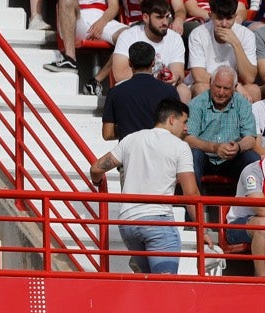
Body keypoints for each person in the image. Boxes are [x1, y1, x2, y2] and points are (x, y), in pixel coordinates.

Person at [88, 97, 210, 275]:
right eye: (184, 122)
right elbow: (191, 193)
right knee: (165, 289)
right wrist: (202, 229)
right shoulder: (180, 147)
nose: (186, 128)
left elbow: (96, 168)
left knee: (152, 285)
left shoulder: (131, 139)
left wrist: (97, 181)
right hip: (157, 222)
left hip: (128, 223)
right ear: (171, 120)